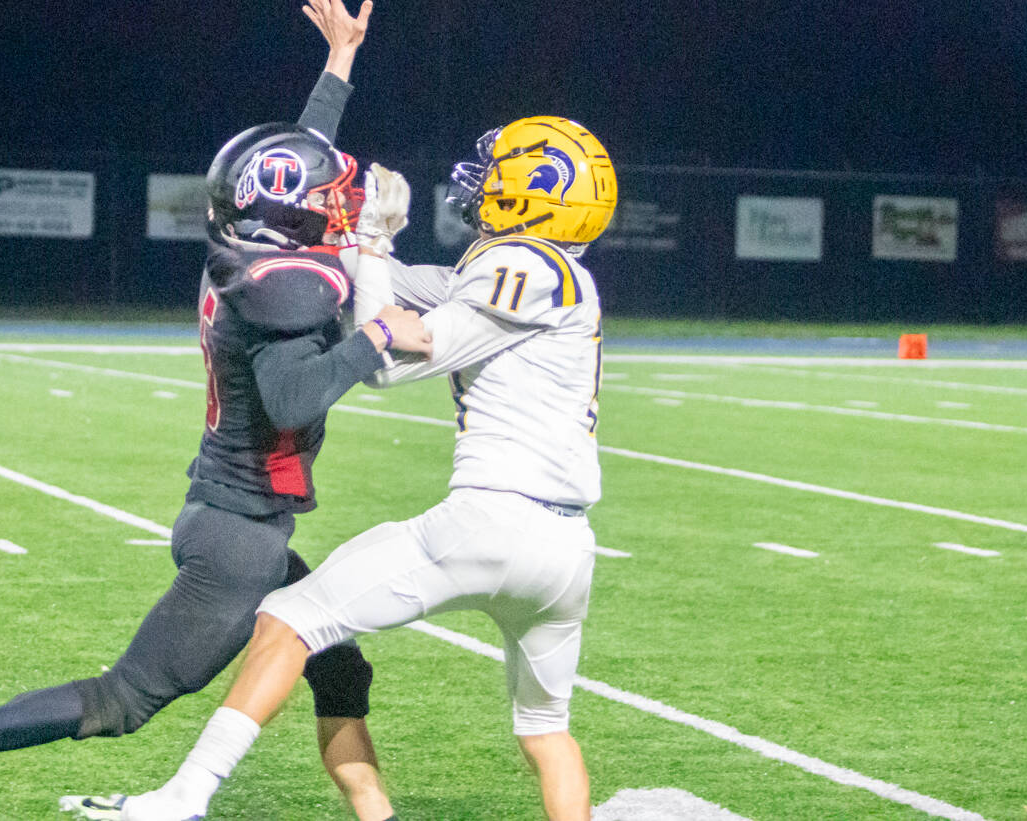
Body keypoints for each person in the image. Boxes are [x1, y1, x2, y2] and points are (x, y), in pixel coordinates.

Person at [0, 0, 432, 821]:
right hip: (240, 540)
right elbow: (294, 395)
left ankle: (376, 814)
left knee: (338, 661)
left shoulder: (247, 250)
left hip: (234, 517)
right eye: (329, 200)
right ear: (295, 215)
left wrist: (338, 63)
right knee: (121, 701)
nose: (341, 206)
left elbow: (288, 165)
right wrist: (377, 335)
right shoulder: (286, 287)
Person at [67, 117, 616, 821]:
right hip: (568, 551)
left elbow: (383, 359)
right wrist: (355, 245)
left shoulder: (522, 268)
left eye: (499, 170)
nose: (482, 182)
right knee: (546, 731)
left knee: (288, 619)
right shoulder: (557, 275)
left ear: (537, 192)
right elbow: (395, 287)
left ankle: (184, 795)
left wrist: (371, 246)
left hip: (491, 521)